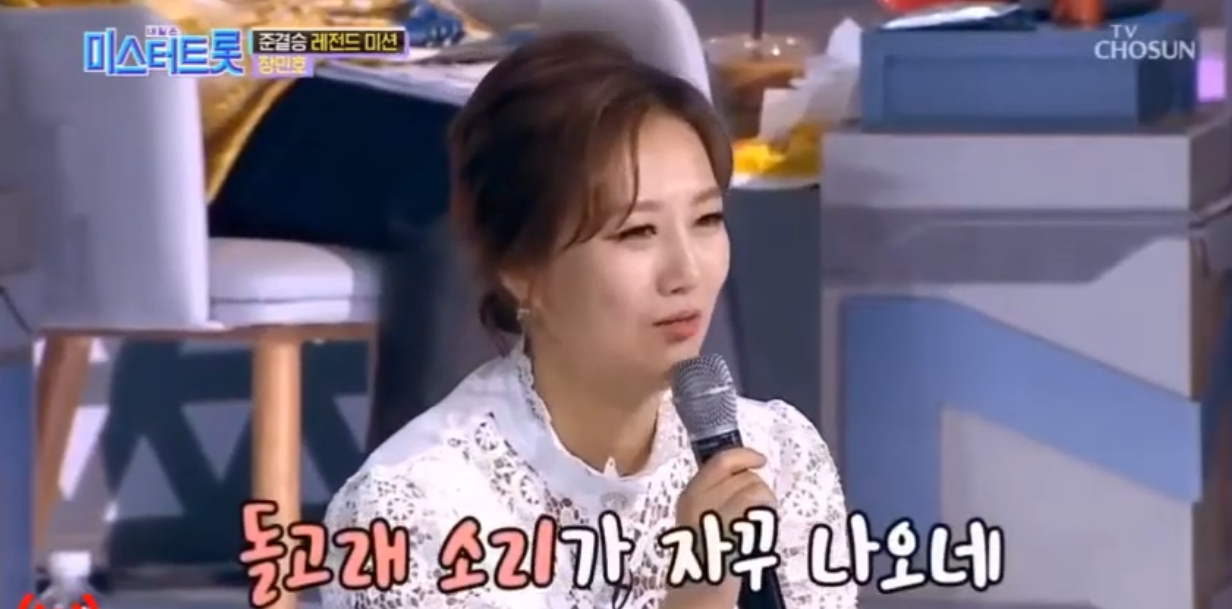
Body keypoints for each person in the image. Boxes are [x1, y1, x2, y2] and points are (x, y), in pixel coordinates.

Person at [321, 31, 857, 609]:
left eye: (706, 220)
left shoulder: (778, 456)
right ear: (522, 269)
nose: (687, 272)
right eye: (637, 232)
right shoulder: (413, 514)